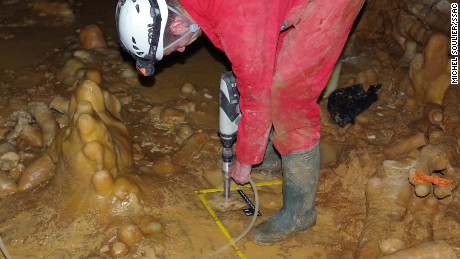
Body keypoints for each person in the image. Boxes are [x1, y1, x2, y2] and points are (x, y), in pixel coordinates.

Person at [116, 0, 364, 244]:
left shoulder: (238, 17)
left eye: (174, 47)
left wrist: (246, 159)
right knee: (270, 67)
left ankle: (300, 213)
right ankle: (278, 153)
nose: (181, 51)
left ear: (179, 25)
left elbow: (258, 97)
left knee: (288, 96)